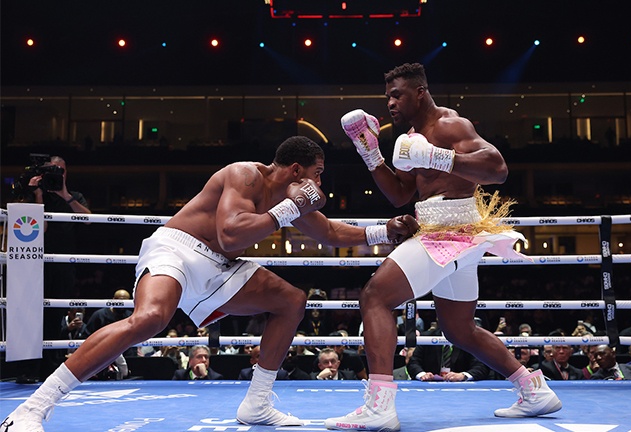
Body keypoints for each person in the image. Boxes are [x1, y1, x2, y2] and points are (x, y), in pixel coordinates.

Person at [2, 136, 419, 431]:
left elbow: (329, 233)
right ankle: (32, 408)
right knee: (149, 319)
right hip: (178, 249)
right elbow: (232, 235)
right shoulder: (245, 176)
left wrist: (385, 231)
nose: (320, 185)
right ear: (296, 170)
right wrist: (291, 207)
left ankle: (257, 404)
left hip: (220, 265)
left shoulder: (292, 199)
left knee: (291, 300)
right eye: (317, 174)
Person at [325, 63, 561, 431]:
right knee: (459, 328)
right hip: (445, 233)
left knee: (375, 296)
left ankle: (379, 406)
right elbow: (401, 195)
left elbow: (498, 169)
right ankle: (534, 390)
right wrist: (370, 153)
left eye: (397, 94)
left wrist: (439, 156)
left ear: (420, 92)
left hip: (452, 231)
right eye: (387, 95)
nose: (390, 103)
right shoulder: (412, 135)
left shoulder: (451, 125)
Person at [15, 155, 92, 384]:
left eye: (61, 169)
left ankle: (49, 369)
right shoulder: (34, 195)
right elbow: (39, 229)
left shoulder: (73, 196)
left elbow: (88, 219)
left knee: (54, 316)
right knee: (30, 316)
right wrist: (38, 195)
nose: (57, 173)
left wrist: (65, 196)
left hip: (63, 265)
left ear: (66, 173)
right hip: (32, 264)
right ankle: (28, 369)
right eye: (53, 169)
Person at [406, 328, 490, 382]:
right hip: (430, 386)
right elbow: (413, 362)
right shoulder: (427, 337)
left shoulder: (469, 339)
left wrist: (463, 375)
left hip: (460, 389)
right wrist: (422, 375)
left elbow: (481, 366)